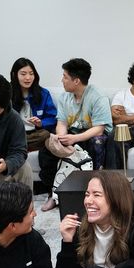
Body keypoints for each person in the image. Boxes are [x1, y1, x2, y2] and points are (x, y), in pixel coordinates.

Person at [41, 58, 113, 211]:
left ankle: (92, 193)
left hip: (93, 135)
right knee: (47, 149)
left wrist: (74, 139)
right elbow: (62, 122)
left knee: (96, 143)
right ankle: (52, 194)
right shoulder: (65, 97)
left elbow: (99, 129)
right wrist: (61, 138)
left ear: (76, 81)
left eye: (65, 77)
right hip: (72, 134)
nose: (62, 80)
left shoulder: (98, 97)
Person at [9, 57, 57, 153]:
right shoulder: (7, 93)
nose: (28, 78)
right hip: (15, 133)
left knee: (45, 135)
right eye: (23, 74)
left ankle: (17, 147)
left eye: (31, 74)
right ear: (14, 75)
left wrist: (41, 123)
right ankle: (19, 146)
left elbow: (53, 117)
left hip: (35, 133)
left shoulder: (43, 94)